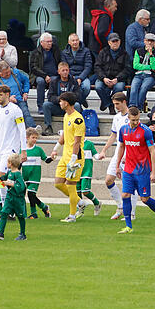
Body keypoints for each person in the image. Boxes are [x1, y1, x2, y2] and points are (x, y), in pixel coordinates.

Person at [113, 106, 155, 234]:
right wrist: (117, 165)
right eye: (133, 120)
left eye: (137, 120)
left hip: (142, 170)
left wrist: (154, 171)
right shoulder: (123, 130)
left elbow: (152, 151)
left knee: (145, 199)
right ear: (128, 118)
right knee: (125, 195)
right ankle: (128, 226)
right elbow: (121, 147)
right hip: (128, 169)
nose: (136, 122)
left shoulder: (145, 131)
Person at [50, 92, 91, 223]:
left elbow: (77, 141)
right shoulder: (66, 116)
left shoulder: (78, 119)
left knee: (71, 185)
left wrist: (73, 159)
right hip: (65, 156)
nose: (59, 103)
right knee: (58, 183)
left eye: (61, 101)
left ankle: (72, 215)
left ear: (66, 102)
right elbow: (64, 136)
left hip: (75, 157)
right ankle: (80, 202)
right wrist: (55, 150)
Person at [0, 84, 28, 207]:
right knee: (4, 180)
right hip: (0, 150)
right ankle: (10, 207)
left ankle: (6, 208)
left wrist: (24, 150)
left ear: (7, 95)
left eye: (0, 95)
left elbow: (22, 130)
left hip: (11, 150)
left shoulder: (15, 110)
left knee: (0, 177)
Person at [97, 92, 129, 219]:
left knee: (128, 184)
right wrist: (104, 150)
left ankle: (130, 212)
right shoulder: (116, 117)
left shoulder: (131, 116)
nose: (116, 106)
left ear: (124, 102)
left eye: (117, 104)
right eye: (114, 104)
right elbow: (113, 135)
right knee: (108, 180)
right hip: (118, 153)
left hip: (129, 154)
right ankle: (120, 206)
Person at [0, 153, 28, 240]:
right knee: (4, 212)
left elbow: (21, 186)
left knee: (20, 216)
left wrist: (9, 183)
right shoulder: (9, 172)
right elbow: (3, 178)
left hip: (17, 199)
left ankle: (22, 234)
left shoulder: (18, 174)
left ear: (11, 163)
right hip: (9, 197)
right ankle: (0, 232)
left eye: (7, 162)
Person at [94, 32, 131, 114]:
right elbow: (97, 67)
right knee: (98, 86)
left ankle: (105, 102)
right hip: (104, 78)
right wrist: (103, 78)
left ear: (120, 42)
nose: (115, 43)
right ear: (109, 42)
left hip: (118, 79)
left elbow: (127, 69)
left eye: (116, 41)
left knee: (119, 88)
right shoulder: (103, 52)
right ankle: (110, 104)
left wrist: (117, 79)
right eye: (113, 41)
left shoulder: (125, 54)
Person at [41, 62, 82, 134]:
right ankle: (48, 127)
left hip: (70, 107)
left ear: (69, 71)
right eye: (63, 70)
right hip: (58, 106)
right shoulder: (54, 81)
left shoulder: (73, 81)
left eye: (66, 70)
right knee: (46, 105)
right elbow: (50, 96)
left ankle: (75, 127)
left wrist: (68, 100)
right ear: (59, 72)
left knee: (77, 105)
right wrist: (60, 100)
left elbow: (78, 95)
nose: (65, 72)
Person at [20, 127, 52, 219]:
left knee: (31, 194)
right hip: (25, 176)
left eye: (36, 138)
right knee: (29, 195)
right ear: (27, 138)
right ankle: (39, 210)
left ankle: (39, 209)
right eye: (33, 137)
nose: (35, 140)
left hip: (35, 176)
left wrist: (52, 158)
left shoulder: (38, 150)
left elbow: (46, 160)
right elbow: (19, 164)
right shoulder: (22, 150)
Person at [0, 61, 33, 128]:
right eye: (6, 73)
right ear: (0, 73)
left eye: (9, 71)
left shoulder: (16, 72)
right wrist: (8, 99)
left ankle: (32, 129)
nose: (9, 74)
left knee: (25, 113)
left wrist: (25, 92)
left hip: (18, 99)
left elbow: (26, 80)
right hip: (4, 103)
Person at [29, 32, 61, 113]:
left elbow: (60, 62)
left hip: (54, 74)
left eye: (51, 41)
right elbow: (34, 68)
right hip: (39, 75)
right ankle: (41, 106)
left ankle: (54, 104)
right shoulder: (35, 52)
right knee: (40, 81)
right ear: (41, 42)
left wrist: (59, 71)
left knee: (55, 80)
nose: (50, 43)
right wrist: (45, 76)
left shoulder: (55, 50)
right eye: (48, 42)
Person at [130, 32, 155, 110]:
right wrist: (148, 67)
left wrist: (151, 55)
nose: (150, 43)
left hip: (150, 76)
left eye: (152, 41)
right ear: (144, 41)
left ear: (154, 42)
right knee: (133, 88)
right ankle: (132, 106)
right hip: (138, 74)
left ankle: (139, 108)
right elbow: (135, 65)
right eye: (148, 40)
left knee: (143, 88)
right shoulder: (138, 51)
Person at [61, 33, 93, 107]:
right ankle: (80, 102)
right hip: (69, 76)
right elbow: (64, 67)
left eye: (76, 40)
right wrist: (71, 77)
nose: (75, 42)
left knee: (86, 87)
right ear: (69, 42)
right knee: (69, 87)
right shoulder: (64, 52)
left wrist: (80, 78)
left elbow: (88, 66)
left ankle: (80, 100)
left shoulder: (86, 51)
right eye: (73, 41)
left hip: (83, 75)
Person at [79, 138, 102, 216]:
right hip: (76, 171)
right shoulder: (73, 142)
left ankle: (97, 203)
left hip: (86, 171)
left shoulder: (89, 143)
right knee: (77, 192)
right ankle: (80, 209)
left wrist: (100, 156)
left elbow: (96, 155)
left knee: (85, 192)